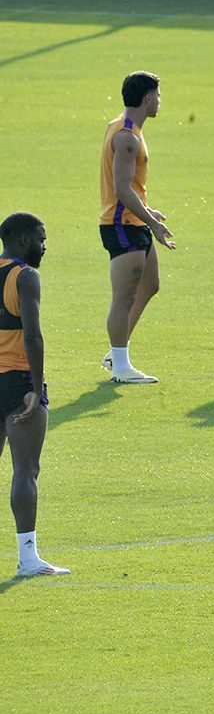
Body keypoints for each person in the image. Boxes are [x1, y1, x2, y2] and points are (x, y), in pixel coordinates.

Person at [0, 213, 68, 576]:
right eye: (41, 238)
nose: (45, 245)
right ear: (23, 240)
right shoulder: (25, 276)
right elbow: (33, 336)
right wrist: (36, 387)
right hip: (17, 381)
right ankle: (28, 558)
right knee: (25, 470)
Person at [100, 71, 175, 384]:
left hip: (133, 220)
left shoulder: (120, 126)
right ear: (147, 98)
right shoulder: (128, 137)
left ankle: (114, 354)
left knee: (150, 285)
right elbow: (121, 189)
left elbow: (131, 187)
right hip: (122, 225)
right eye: (157, 95)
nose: (159, 100)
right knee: (124, 298)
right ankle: (120, 366)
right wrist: (152, 223)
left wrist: (147, 211)